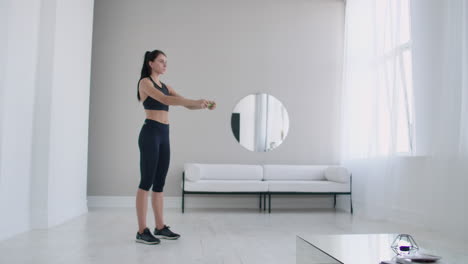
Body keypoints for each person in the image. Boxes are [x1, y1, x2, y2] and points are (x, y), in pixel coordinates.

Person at [135, 50, 216, 244]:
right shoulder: (145, 82)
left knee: (159, 183)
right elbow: (166, 100)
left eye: (166, 62)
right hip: (150, 133)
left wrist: (201, 104)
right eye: (161, 61)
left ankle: (160, 227)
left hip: (164, 134)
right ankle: (141, 230)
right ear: (150, 63)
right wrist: (193, 101)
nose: (165, 65)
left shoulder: (165, 86)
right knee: (146, 181)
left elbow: (184, 104)